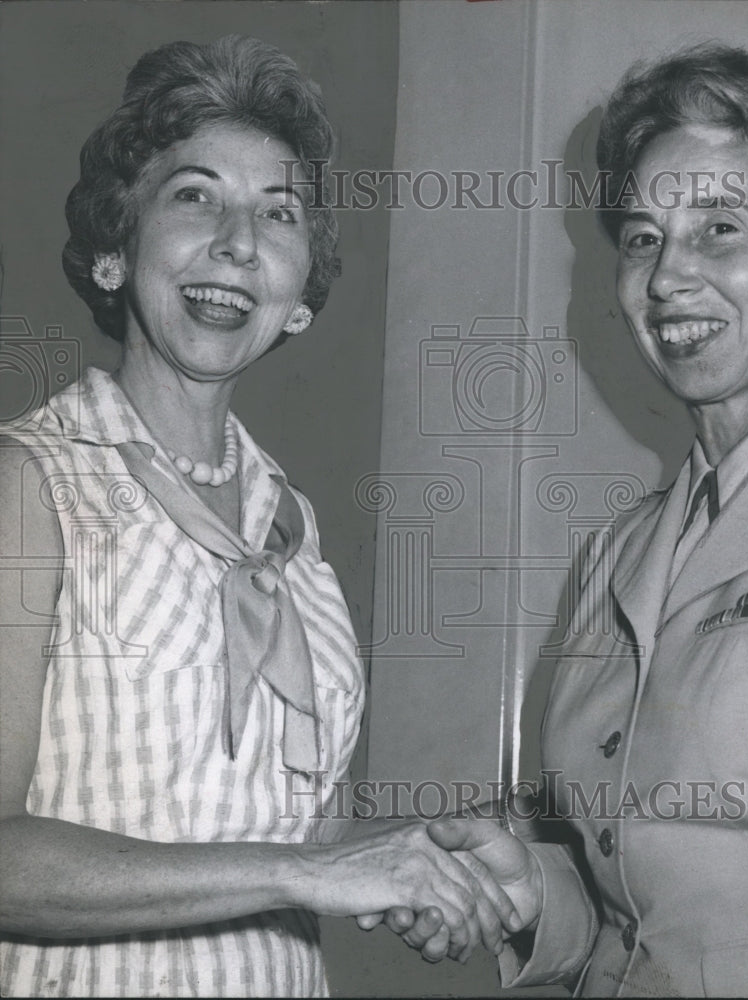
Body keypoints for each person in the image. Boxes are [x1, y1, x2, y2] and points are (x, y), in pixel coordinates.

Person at [401, 43, 748, 997]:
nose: (666, 276)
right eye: (642, 237)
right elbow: (635, 905)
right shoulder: (619, 551)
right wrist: (536, 893)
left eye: (720, 227)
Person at [0, 35, 517, 998]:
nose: (238, 240)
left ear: (297, 302)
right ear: (114, 252)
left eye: (277, 213)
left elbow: (291, 832)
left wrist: (413, 862)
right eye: (195, 196)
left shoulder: (292, 530)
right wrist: (309, 872)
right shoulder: (33, 483)